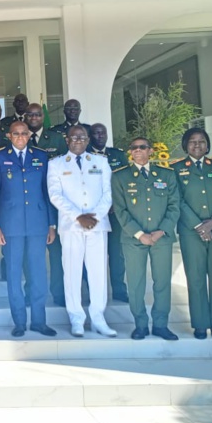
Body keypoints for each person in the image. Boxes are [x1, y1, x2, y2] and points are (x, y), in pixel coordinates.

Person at [47, 126, 117, 337]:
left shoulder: (101, 162)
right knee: (72, 272)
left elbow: (108, 192)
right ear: (67, 140)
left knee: (98, 273)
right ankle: (76, 318)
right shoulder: (56, 164)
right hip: (71, 226)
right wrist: (78, 216)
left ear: (88, 140)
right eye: (74, 137)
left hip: (97, 225)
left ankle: (98, 318)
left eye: (82, 137)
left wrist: (94, 216)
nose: (78, 140)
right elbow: (55, 195)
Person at [0, 122, 57, 337]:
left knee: (38, 274)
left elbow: (48, 193)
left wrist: (51, 224)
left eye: (24, 134)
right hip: (10, 225)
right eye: (16, 134)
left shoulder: (41, 156)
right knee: (13, 274)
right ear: (9, 135)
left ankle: (39, 321)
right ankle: (19, 321)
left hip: (38, 224)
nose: (20, 137)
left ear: (29, 135)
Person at [111, 137, 180, 341]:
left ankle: (160, 324)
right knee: (136, 283)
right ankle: (140, 324)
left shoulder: (167, 174)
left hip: (162, 238)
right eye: (133, 148)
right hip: (134, 239)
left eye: (142, 147)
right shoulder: (121, 177)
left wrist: (162, 231)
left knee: (162, 283)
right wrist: (140, 234)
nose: (137, 151)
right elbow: (120, 210)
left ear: (151, 151)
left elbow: (175, 205)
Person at [172, 127, 212, 340]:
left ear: (207, 145)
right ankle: (200, 324)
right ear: (185, 145)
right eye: (192, 141)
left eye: (201, 141)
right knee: (196, 277)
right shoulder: (177, 169)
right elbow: (177, 200)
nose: (197, 145)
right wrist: (199, 226)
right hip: (191, 232)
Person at [25, 102, 68, 306]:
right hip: (31, 203)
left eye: (37, 114)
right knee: (31, 255)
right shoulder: (21, 138)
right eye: (30, 114)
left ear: (43, 116)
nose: (34, 118)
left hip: (54, 202)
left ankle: (58, 294)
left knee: (57, 253)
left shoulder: (57, 138)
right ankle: (31, 293)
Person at [87, 123, 129, 302]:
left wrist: (115, 203)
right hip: (94, 213)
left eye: (102, 132)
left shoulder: (117, 155)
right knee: (92, 255)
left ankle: (119, 289)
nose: (99, 136)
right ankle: (92, 292)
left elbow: (126, 181)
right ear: (90, 137)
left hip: (116, 212)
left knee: (116, 253)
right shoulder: (85, 157)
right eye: (95, 133)